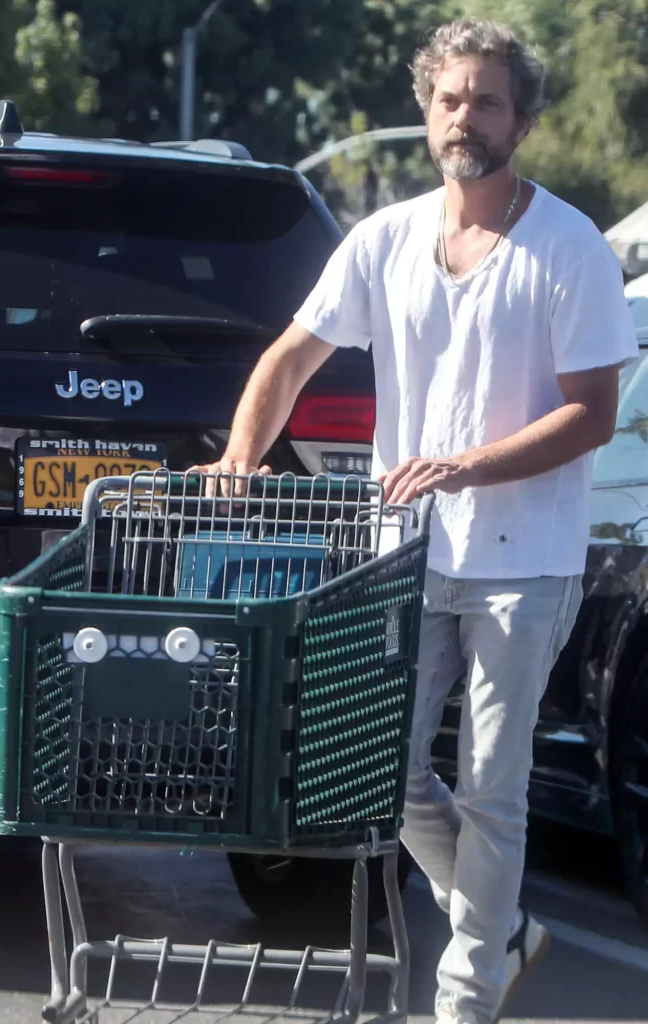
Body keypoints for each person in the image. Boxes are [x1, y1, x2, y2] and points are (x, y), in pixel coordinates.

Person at [193, 18, 638, 1024]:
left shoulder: (566, 245)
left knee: (490, 784)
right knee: (375, 763)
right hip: (404, 556)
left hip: (525, 562)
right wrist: (238, 453)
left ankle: (464, 993)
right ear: (424, 108)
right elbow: (290, 356)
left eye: (485, 99)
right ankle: (501, 928)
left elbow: (592, 413)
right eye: (449, 97)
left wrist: (466, 463)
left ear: (519, 118)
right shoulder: (383, 239)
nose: (463, 116)